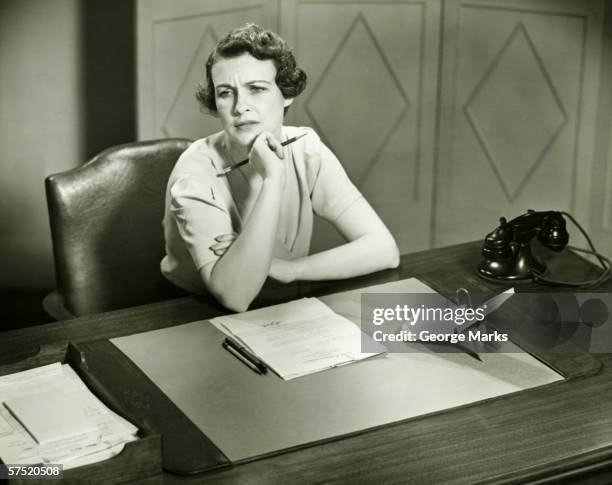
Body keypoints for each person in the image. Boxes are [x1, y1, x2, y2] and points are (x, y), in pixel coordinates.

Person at [161, 23, 399, 312]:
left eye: (256, 89)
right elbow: (235, 296)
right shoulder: (194, 175)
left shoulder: (304, 147)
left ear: (286, 93)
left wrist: (292, 269)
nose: (240, 107)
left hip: (283, 304)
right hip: (193, 313)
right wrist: (273, 179)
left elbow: (384, 250)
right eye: (225, 93)